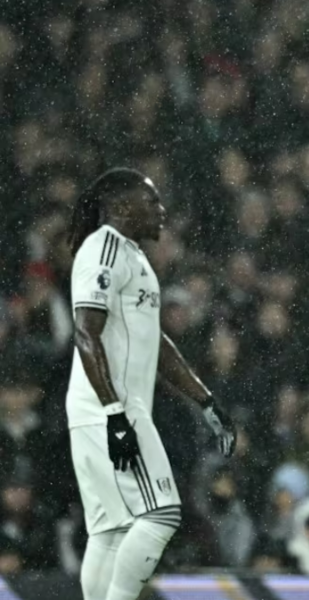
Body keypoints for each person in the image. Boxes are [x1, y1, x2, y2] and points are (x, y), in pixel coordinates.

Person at [66, 168, 237, 600]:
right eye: (152, 203)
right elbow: (85, 330)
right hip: (110, 408)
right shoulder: (103, 248)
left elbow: (155, 340)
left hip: (107, 409)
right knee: (161, 514)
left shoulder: (133, 256)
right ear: (123, 207)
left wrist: (206, 401)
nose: (162, 212)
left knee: (111, 529)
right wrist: (114, 413)